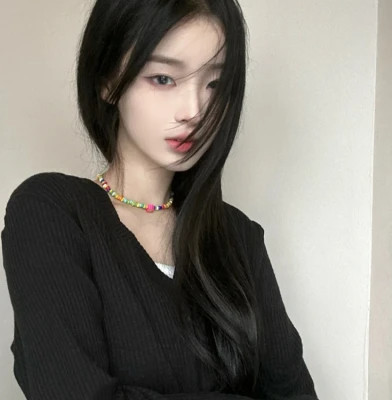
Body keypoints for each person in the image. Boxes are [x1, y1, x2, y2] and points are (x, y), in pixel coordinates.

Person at [1, 1, 319, 399]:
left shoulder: (238, 237)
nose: (194, 111)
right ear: (107, 80)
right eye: (164, 78)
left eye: (214, 84)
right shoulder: (51, 212)